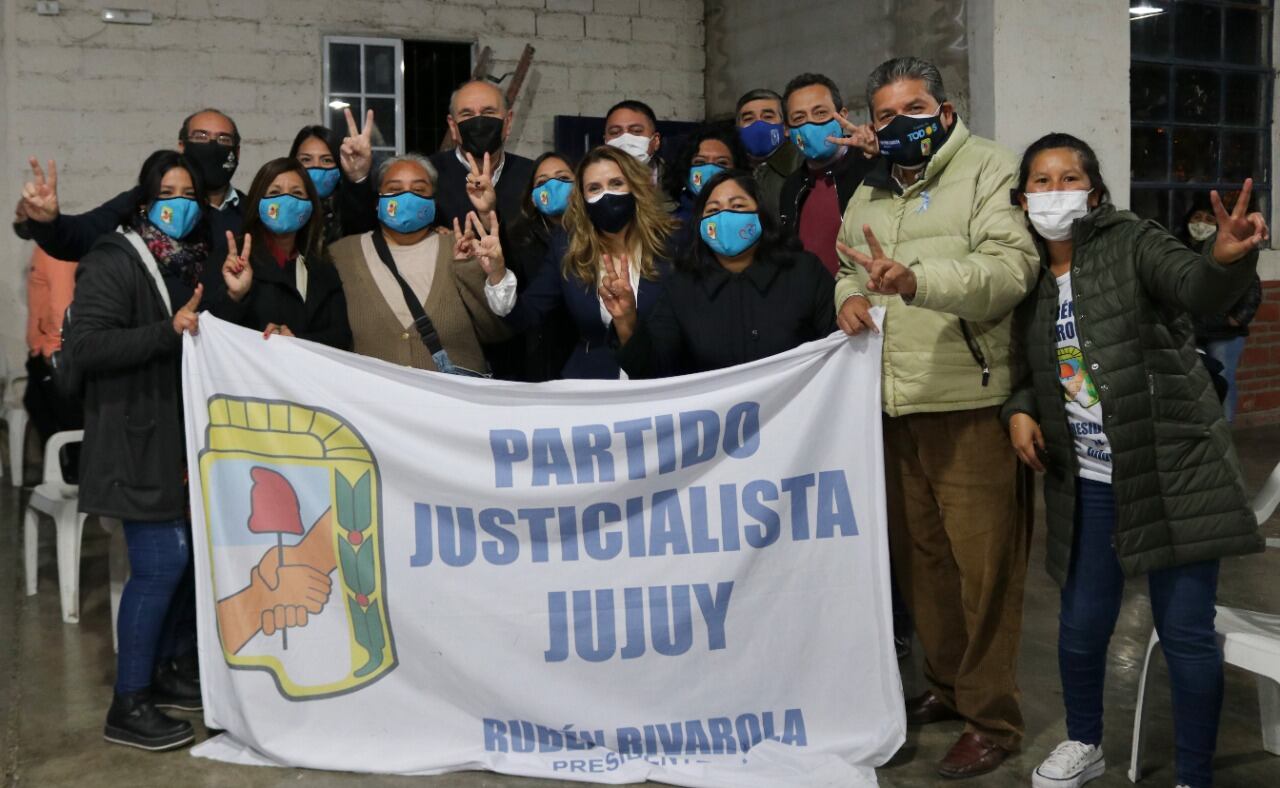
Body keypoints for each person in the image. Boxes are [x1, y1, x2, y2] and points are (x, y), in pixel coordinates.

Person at [1002, 133, 1267, 788]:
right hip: (1086, 481)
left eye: (1071, 177)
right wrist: (1019, 408)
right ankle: (1084, 741)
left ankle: (1193, 776)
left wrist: (1226, 259)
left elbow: (1195, 284)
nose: (1056, 189)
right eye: (1042, 179)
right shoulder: (1026, 276)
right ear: (1022, 196)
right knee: (1081, 626)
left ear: (1093, 192)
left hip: (1171, 471)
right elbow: (1027, 368)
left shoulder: (1131, 241)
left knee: (1185, 634)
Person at [834, 56, 1039, 778]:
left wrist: (919, 282)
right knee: (924, 566)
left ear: (945, 112)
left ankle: (993, 719)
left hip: (969, 403)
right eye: (885, 115)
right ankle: (949, 689)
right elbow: (845, 268)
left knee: (985, 574)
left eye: (914, 109)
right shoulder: (870, 188)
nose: (899, 125)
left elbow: (1013, 271)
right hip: (892, 406)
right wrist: (847, 301)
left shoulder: (988, 169)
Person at [65, 150, 221, 752]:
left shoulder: (185, 262)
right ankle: (127, 702)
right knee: (161, 565)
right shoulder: (114, 257)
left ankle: (168, 668)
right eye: (168, 192)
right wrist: (168, 331)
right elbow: (88, 347)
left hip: (172, 442)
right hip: (131, 442)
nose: (181, 203)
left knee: (182, 564)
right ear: (144, 199)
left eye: (189, 193)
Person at [607, 170, 834, 377]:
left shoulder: (804, 271)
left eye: (737, 206)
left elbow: (839, 345)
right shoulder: (682, 288)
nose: (724, 218)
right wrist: (626, 322)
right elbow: (653, 369)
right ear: (701, 224)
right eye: (713, 210)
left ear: (760, 214)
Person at [482, 145, 675, 379]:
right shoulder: (566, 246)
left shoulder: (672, 243)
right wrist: (497, 273)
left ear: (635, 187)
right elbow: (526, 314)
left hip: (665, 386)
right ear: (581, 199)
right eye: (594, 188)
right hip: (592, 383)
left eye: (616, 183)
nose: (606, 195)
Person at [327, 154, 509, 373]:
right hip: (371, 404)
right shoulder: (342, 255)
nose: (406, 197)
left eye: (419, 190)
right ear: (377, 203)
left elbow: (497, 331)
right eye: (395, 189)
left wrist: (469, 268)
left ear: (433, 200)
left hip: (451, 403)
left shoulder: (463, 248)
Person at [21, 109, 245, 265]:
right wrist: (48, 223)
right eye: (201, 136)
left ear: (237, 151)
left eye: (224, 139)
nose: (212, 146)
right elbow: (81, 237)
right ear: (181, 146)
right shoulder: (145, 201)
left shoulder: (251, 212)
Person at [219, 158, 352, 349]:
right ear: (258, 203)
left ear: (310, 205)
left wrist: (297, 340)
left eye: (297, 193)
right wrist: (234, 296)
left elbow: (341, 337)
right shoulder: (233, 259)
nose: (286, 201)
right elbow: (211, 330)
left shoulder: (322, 264)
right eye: (275, 192)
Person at [779, 73, 876, 275]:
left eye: (820, 113)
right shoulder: (791, 187)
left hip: (867, 297)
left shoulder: (873, 166)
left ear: (843, 115)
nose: (810, 124)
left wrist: (880, 153)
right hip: (812, 302)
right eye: (799, 118)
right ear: (787, 129)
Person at [1178, 202, 1266, 422]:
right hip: (1189, 331)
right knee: (1192, 383)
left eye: (1209, 220)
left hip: (1224, 333)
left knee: (1224, 379)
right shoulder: (1176, 249)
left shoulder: (1229, 248)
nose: (1201, 224)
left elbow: (1252, 288)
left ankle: (1224, 432)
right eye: (1197, 217)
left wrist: (1238, 318)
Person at [505, 152, 579, 381]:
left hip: (583, 355)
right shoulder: (516, 240)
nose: (553, 185)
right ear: (533, 198)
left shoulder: (598, 234)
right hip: (538, 361)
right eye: (542, 182)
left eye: (563, 178)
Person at [23, 246, 82, 482]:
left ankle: (74, 475)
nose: (18, 217)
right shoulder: (43, 249)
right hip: (41, 347)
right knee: (36, 404)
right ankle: (61, 471)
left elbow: (62, 301)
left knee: (68, 417)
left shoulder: (55, 251)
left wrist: (55, 349)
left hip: (54, 350)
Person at [289, 124, 379, 243]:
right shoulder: (284, 206)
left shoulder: (348, 209)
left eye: (327, 160)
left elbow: (363, 231)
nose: (316, 166)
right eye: (306, 159)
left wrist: (358, 178)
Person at [662, 122, 748, 232]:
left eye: (721, 163)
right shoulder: (668, 226)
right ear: (685, 170)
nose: (710, 169)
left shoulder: (750, 222)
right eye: (700, 162)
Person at [734, 88, 803, 222]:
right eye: (748, 118)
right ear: (738, 130)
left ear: (786, 128)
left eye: (768, 117)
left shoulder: (804, 166)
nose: (758, 125)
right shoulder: (731, 171)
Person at [604, 99, 674, 209]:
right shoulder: (591, 184)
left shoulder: (676, 184)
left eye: (636, 131)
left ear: (655, 141)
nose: (625, 139)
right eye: (615, 132)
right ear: (605, 142)